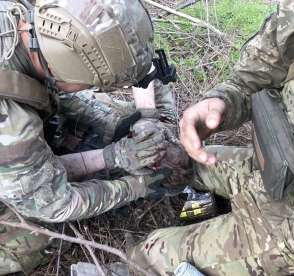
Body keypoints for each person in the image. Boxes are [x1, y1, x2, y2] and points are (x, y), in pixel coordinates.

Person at [0, 0, 190, 274]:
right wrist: (138, 185)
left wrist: (118, 129)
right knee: (31, 238)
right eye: (93, 84)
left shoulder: (33, 21)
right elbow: (57, 204)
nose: (95, 89)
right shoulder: (13, 126)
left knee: (102, 120)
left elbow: (52, 89)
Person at [128, 0, 294, 275]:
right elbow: (262, 68)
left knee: (151, 254)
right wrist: (221, 102)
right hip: (272, 165)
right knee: (175, 160)